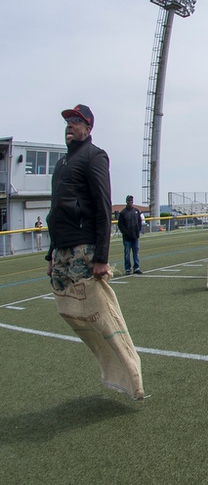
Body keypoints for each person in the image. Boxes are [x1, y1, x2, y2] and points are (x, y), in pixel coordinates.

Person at [46, 104, 145, 400]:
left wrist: (101, 258)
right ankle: (111, 361)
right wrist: (50, 254)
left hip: (84, 247)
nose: (70, 125)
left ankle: (129, 370)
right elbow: (55, 212)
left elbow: (103, 208)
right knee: (70, 310)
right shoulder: (63, 163)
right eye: (67, 121)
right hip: (62, 248)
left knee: (98, 311)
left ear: (88, 129)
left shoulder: (94, 156)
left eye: (76, 121)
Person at [118, 194, 144, 275]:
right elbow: (120, 225)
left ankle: (136, 267)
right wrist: (126, 233)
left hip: (135, 236)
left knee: (136, 252)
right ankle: (127, 269)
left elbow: (139, 223)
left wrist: (138, 231)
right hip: (127, 238)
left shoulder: (136, 211)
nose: (130, 202)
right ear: (126, 201)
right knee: (127, 253)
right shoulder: (123, 213)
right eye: (129, 200)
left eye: (131, 200)